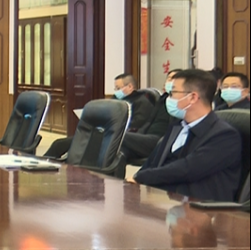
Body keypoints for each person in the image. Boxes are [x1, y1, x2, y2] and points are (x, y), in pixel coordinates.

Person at [128, 69, 243, 202]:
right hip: (165, 198)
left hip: (200, 206)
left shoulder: (224, 136)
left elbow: (187, 169)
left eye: (173, 93)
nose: (169, 98)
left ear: (192, 97)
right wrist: (135, 179)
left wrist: (141, 178)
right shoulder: (177, 126)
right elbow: (153, 162)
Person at [44, 73, 157, 158]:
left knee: (69, 146)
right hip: (101, 132)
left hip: (117, 136)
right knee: (59, 144)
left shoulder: (142, 102)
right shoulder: (116, 99)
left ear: (130, 86)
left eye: (118, 88)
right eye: (115, 88)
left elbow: (137, 123)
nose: (116, 91)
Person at [122, 69, 180, 164]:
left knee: (119, 136)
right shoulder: (161, 100)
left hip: (160, 140)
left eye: (175, 78)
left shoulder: (179, 103)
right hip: (147, 137)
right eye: (169, 78)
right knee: (120, 151)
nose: (171, 81)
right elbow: (148, 122)